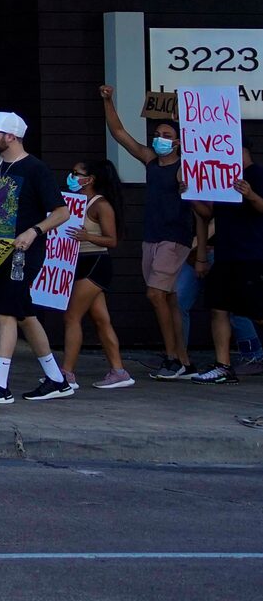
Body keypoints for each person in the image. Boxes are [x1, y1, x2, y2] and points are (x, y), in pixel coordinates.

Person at [0, 111, 77, 404]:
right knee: (23, 312)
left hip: (24, 252)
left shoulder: (35, 169)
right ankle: (56, 379)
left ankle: (0, 384)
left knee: (4, 311)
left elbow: (62, 212)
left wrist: (34, 231)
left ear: (11, 136)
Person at [102, 85, 196, 376]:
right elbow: (119, 133)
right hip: (151, 236)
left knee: (155, 295)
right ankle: (183, 360)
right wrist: (108, 101)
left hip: (175, 236)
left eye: (167, 136)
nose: (160, 139)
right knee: (167, 298)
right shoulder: (151, 161)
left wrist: (187, 187)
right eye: (158, 135)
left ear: (180, 142)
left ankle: (171, 357)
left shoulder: (187, 166)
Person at [189, 123, 263, 382]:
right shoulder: (221, 177)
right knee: (218, 308)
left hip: (252, 255)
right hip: (225, 254)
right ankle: (223, 365)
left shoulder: (256, 174)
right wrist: (191, 195)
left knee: (256, 310)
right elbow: (209, 214)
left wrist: (251, 195)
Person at [56, 157, 131, 389]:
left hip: (95, 262)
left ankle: (66, 374)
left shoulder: (101, 205)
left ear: (90, 179)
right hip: (75, 262)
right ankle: (119, 371)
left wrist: (87, 236)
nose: (72, 176)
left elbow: (112, 240)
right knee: (101, 318)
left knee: (71, 316)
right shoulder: (74, 201)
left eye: (76, 173)